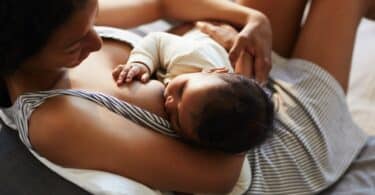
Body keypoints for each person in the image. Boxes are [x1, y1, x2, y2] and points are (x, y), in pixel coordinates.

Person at [0, 0, 373, 194]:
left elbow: (163, 5)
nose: (96, 40)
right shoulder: (56, 119)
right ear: (20, 56)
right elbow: (219, 177)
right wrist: (241, 85)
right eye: (74, 45)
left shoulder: (58, 13)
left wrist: (248, 20)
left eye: (94, 17)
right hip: (271, 149)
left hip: (232, 78)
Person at [112, 30, 275, 153]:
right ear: (214, 71)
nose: (170, 102)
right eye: (182, 90)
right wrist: (142, 63)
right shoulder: (191, 56)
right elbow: (157, 41)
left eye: (176, 119)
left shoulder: (204, 100)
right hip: (200, 35)